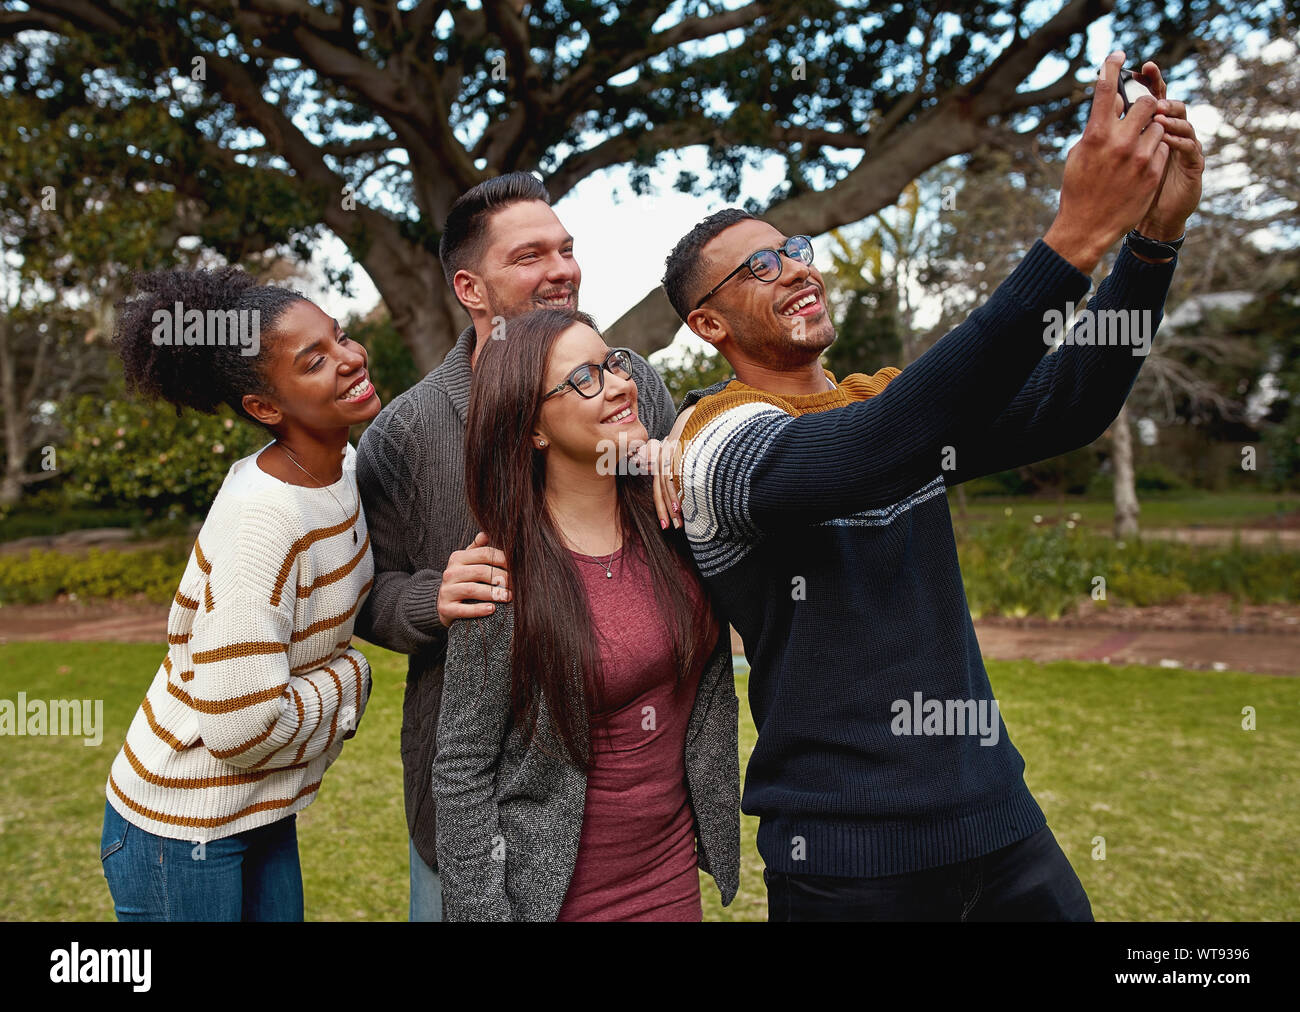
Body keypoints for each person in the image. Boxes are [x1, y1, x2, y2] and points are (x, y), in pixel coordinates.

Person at [656, 54, 1204, 920]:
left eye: (794, 250)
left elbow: (1068, 404)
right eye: (759, 268)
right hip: (847, 858)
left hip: (999, 819)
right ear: (707, 323)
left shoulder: (883, 400)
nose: (797, 268)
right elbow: (863, 452)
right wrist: (1071, 241)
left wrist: (1151, 244)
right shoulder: (709, 444)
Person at [355, 171, 678, 921]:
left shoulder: (630, 383)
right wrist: (427, 598)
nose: (561, 269)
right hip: (477, 805)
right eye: (530, 255)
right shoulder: (405, 432)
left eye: (566, 249)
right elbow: (360, 592)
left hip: (637, 804)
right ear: (471, 287)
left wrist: (683, 454)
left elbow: (678, 526)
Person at [431, 308, 739, 920]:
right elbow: (462, 769)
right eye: (584, 379)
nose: (620, 385)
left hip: (672, 877)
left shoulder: (673, 519)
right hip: (558, 895)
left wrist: (685, 431)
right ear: (533, 430)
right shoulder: (500, 572)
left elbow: (760, 405)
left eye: (613, 364)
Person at [100, 266, 379, 921]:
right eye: (315, 361)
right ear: (265, 408)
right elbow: (245, 726)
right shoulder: (265, 520)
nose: (349, 359)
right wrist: (353, 677)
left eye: (339, 337)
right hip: (181, 823)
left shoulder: (345, 471)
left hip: (260, 804)